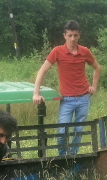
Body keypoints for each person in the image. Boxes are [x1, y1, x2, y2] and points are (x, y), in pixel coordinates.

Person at [32, 20, 101, 156]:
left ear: (79, 35)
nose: (72, 39)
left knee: (78, 130)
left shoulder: (84, 51)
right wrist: (36, 93)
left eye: (75, 35)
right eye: (69, 35)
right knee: (62, 131)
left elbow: (97, 68)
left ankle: (73, 156)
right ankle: (62, 157)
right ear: (64, 35)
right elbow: (42, 71)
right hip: (67, 99)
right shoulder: (57, 51)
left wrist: (93, 86)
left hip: (83, 98)